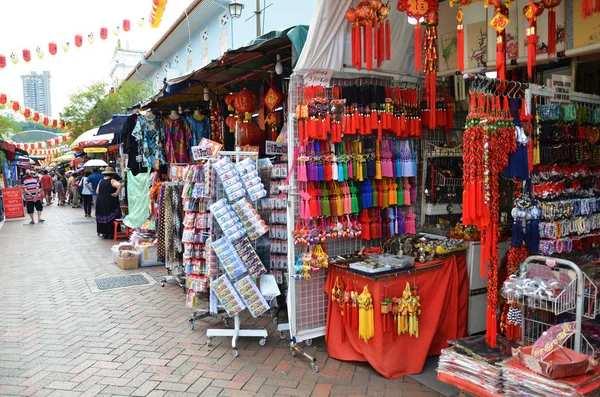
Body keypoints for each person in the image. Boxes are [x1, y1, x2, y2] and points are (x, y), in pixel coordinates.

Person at [96, 167, 122, 239]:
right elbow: (119, 185)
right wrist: (116, 193)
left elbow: (97, 192)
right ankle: (111, 233)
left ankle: (104, 233)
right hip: (110, 200)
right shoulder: (112, 180)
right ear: (112, 174)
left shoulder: (101, 181)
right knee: (111, 215)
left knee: (103, 215)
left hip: (100, 200)